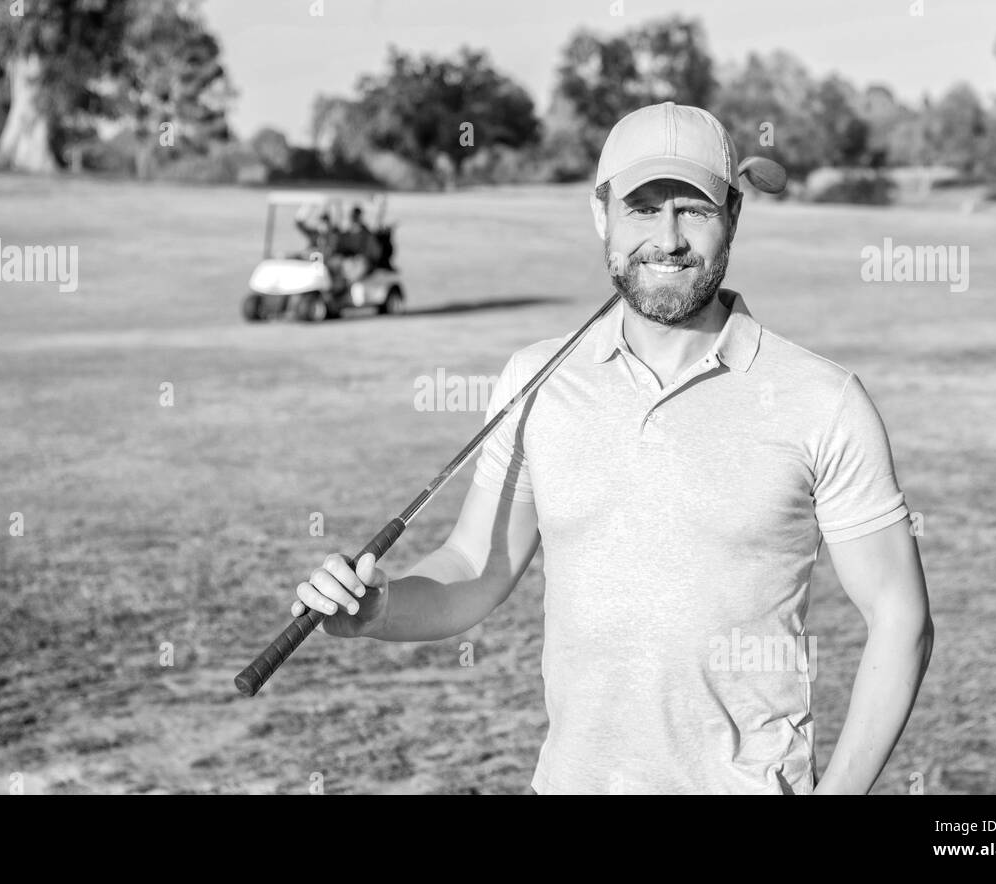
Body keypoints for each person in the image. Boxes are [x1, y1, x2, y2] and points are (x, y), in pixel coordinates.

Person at [288, 102, 934, 795]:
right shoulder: (536, 382)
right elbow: (476, 567)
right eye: (644, 208)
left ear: (735, 216)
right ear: (601, 215)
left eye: (695, 209)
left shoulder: (823, 399)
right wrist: (376, 609)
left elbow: (901, 617)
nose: (669, 238)